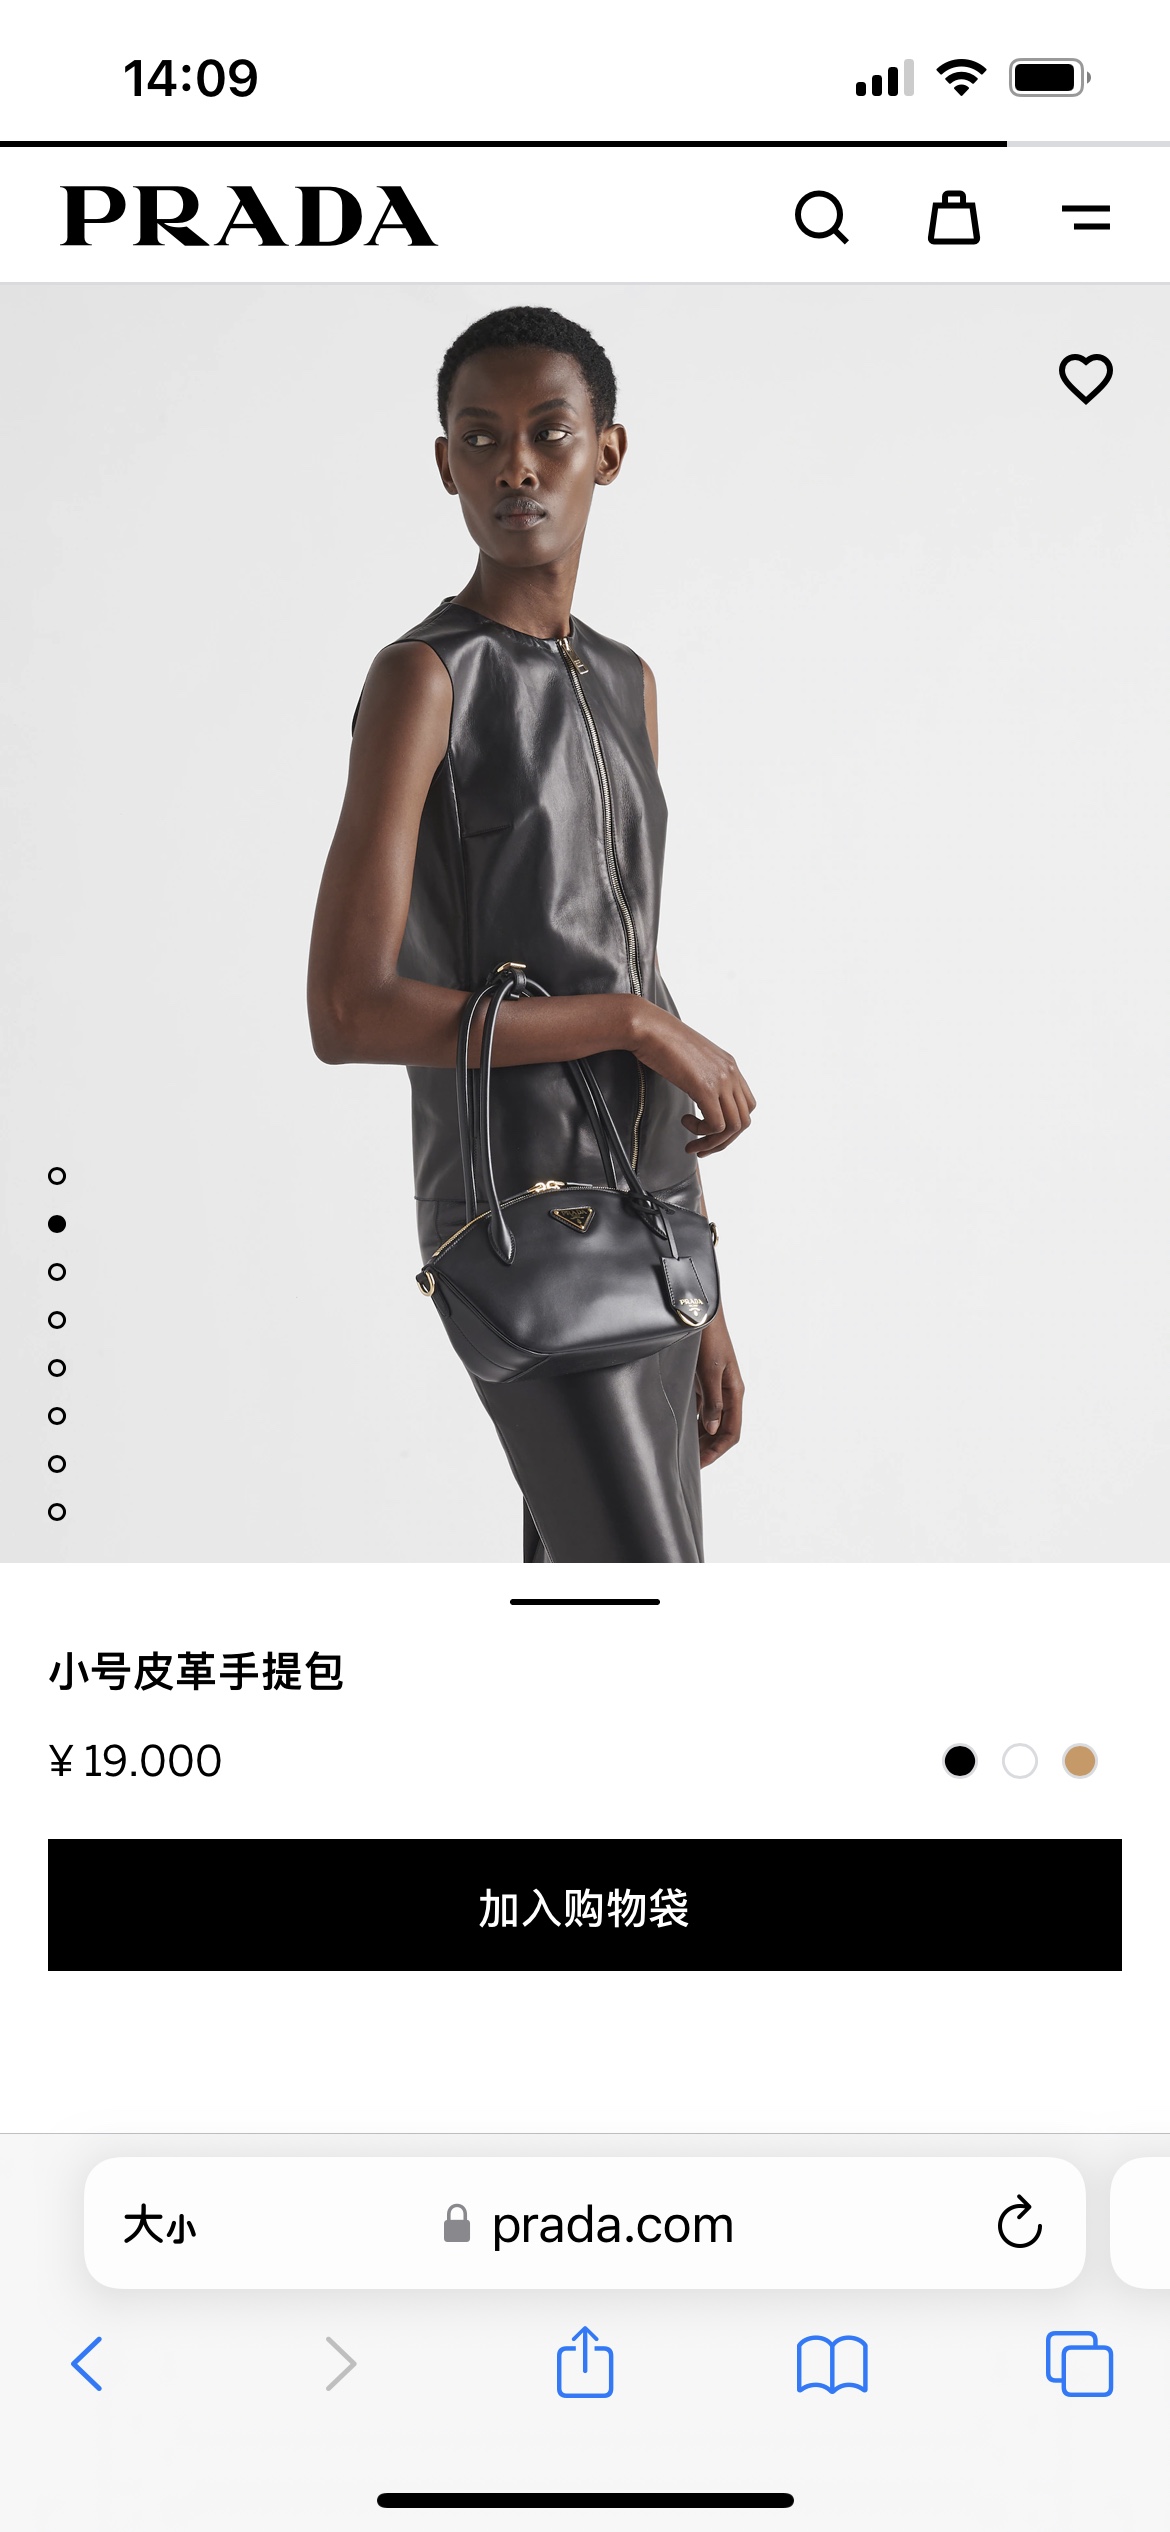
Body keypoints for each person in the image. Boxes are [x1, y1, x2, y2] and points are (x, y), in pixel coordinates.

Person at [308, 305, 754, 1561]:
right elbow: (348, 1011)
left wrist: (702, 1279)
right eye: (481, 438)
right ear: (444, 463)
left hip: (648, 1234)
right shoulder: (426, 678)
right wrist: (634, 1025)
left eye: (548, 434)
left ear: (607, 451)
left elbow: (629, 961)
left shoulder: (628, 682)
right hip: (517, 1226)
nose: (516, 466)